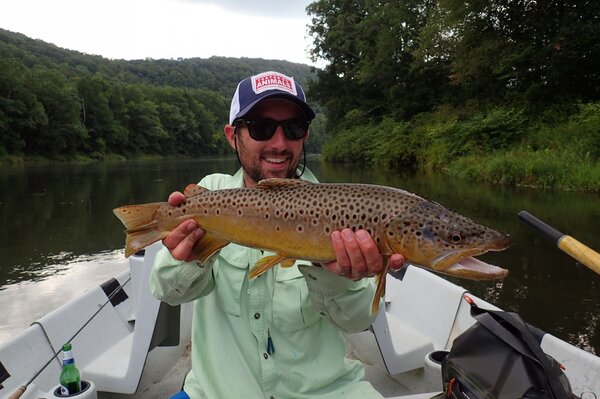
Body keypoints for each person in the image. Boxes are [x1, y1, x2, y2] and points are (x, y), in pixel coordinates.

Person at [149, 71, 405, 399]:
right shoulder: (210, 195)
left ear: (305, 135)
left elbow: (356, 322)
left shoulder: (341, 209)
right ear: (232, 135)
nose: (280, 144)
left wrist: (342, 279)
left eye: (293, 128)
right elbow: (167, 292)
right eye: (261, 128)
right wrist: (183, 259)